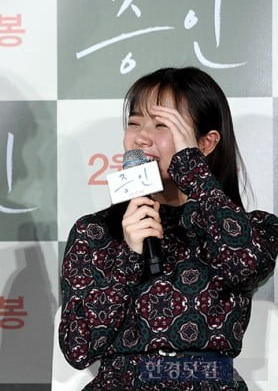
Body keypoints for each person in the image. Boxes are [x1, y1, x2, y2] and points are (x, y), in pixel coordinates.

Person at [58, 66, 278, 390]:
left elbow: (245, 266)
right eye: (134, 123)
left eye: (162, 125)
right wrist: (128, 258)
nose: (142, 136)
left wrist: (191, 168)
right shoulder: (96, 232)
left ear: (206, 143)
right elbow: (78, 347)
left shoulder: (251, 228)